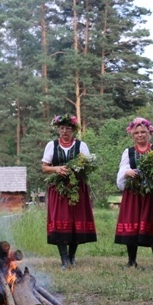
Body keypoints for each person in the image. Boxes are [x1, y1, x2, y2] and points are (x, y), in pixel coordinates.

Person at [115, 118, 153, 270]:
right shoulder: (129, 152)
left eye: (143, 132)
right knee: (132, 225)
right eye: (137, 133)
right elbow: (122, 170)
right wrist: (127, 172)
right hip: (134, 194)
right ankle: (131, 261)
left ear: (149, 133)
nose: (140, 135)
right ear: (132, 135)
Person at [42, 114, 97, 269]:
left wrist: (77, 170)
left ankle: (72, 256)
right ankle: (64, 259)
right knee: (60, 222)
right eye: (61, 128)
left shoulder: (81, 146)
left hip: (77, 187)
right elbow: (44, 167)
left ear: (73, 130)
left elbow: (88, 166)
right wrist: (57, 168)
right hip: (58, 189)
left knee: (75, 222)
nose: (64, 131)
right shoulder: (52, 145)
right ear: (58, 130)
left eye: (68, 128)